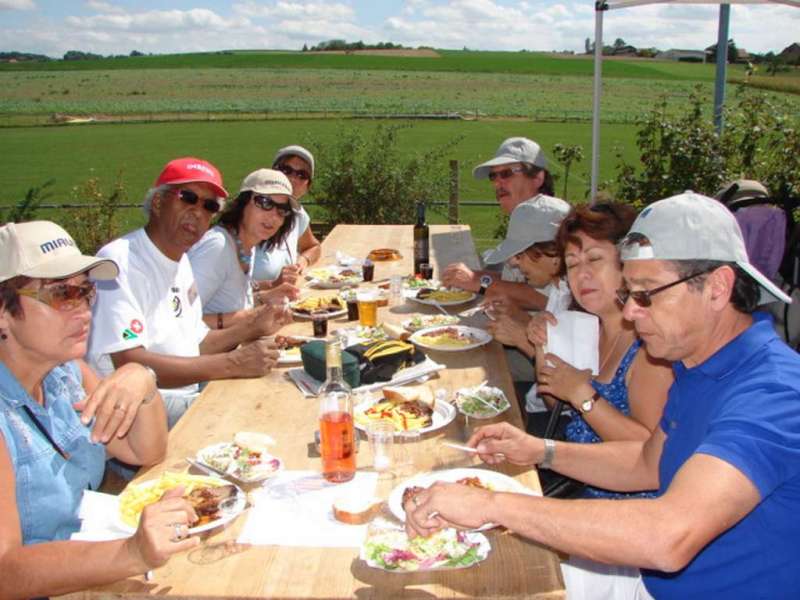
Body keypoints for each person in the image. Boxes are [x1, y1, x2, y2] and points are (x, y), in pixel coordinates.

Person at [404, 192, 800, 598]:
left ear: (717, 287)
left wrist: (493, 505)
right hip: (646, 579)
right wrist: (540, 450)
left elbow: (669, 536)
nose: (630, 312)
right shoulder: (695, 362)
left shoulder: (775, 394)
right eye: (629, 293)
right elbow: (647, 464)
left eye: (646, 293)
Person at [0, 221, 199, 598]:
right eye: (62, 294)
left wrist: (141, 378)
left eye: (86, 291)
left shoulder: (65, 374)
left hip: (84, 566)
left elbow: (144, 450)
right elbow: (4, 572)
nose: (84, 310)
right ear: (3, 312)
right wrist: (132, 552)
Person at [87, 157, 283, 428]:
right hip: (141, 406)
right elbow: (129, 362)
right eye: (187, 197)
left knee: (278, 396)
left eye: (209, 206)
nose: (198, 212)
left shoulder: (182, 262)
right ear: (157, 203)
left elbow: (196, 344)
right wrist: (234, 363)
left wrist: (250, 328)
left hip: (187, 389)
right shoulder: (120, 261)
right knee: (258, 417)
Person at [525, 203, 673, 497]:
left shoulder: (649, 348)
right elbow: (559, 405)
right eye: (573, 264)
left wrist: (582, 393)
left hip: (623, 506)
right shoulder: (588, 327)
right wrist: (545, 345)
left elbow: (649, 450)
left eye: (594, 259)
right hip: (578, 480)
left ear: (628, 265)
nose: (582, 275)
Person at [442, 137, 569, 311]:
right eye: (493, 176)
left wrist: (476, 282)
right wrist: (476, 277)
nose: (497, 182)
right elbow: (509, 280)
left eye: (507, 173)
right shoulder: (522, 222)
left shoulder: (553, 223)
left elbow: (543, 297)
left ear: (538, 178)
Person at [188, 168, 300, 327]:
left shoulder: (247, 245)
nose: (273, 216)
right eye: (265, 203)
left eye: (282, 210)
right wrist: (254, 316)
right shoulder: (217, 247)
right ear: (242, 203)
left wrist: (264, 298)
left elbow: (230, 304)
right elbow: (179, 320)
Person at [252, 145, 322, 287]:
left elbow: (314, 246)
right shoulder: (252, 214)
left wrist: (302, 261)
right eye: (286, 170)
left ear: (308, 186)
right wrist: (272, 285)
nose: (292, 179)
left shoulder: (297, 214)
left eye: (302, 175)